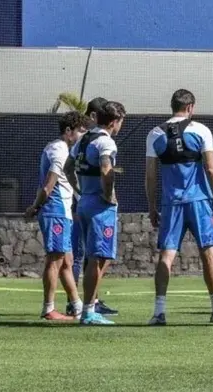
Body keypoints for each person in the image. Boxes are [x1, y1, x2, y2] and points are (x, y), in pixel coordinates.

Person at [144, 89, 213, 325]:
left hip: (171, 203)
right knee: (209, 253)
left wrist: (152, 207)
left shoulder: (155, 134)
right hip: (199, 202)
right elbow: (211, 169)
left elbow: (150, 176)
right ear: (191, 107)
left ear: (172, 105)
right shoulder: (200, 130)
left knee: (166, 256)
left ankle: (158, 313)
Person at [25, 111, 89, 321]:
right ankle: (49, 308)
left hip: (62, 211)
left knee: (66, 260)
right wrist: (35, 207)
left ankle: (77, 306)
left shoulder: (61, 149)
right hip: (56, 211)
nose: (83, 135)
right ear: (68, 131)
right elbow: (48, 185)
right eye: (80, 131)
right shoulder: (59, 150)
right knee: (55, 259)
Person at [73, 101, 126, 325]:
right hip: (98, 207)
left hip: (84, 201)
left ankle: (89, 306)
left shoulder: (83, 140)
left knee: (97, 258)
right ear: (114, 121)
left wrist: (79, 190)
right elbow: (106, 169)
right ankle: (88, 311)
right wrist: (107, 195)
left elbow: (68, 168)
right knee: (98, 257)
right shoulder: (106, 142)